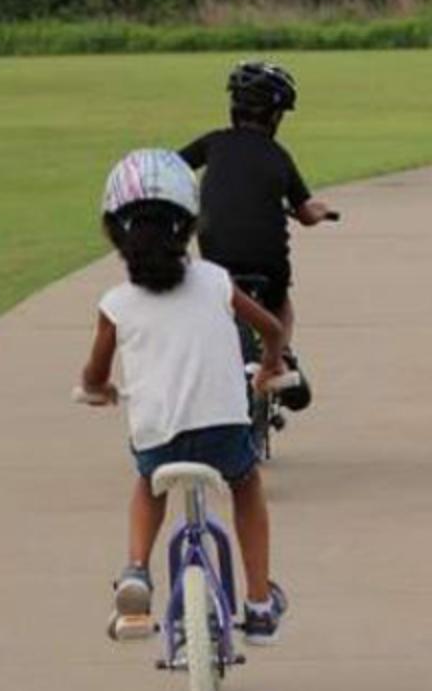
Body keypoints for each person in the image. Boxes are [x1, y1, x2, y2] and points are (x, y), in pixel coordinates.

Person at [75, 148, 290, 645]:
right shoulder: (215, 281)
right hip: (224, 434)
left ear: (116, 232)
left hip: (159, 439)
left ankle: (135, 572)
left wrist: (96, 389)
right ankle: (258, 603)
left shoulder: (116, 304)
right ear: (189, 226)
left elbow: (94, 373)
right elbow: (272, 328)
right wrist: (271, 365)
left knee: (148, 482)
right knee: (246, 484)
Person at [179, 61, 335, 408]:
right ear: (276, 116)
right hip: (268, 259)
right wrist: (321, 212)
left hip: (216, 252)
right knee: (280, 304)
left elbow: (173, 165)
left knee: (221, 297)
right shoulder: (279, 156)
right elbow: (307, 213)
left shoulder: (213, 143)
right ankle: (279, 359)